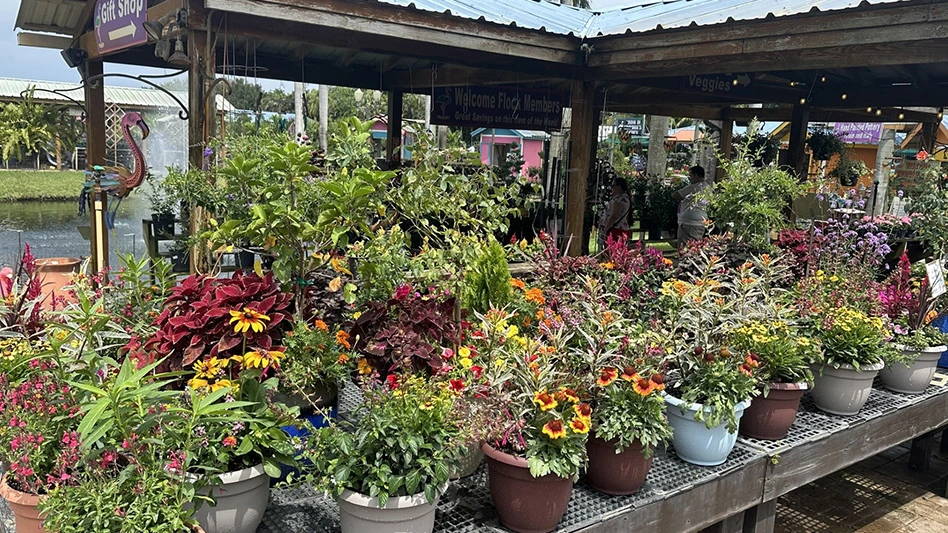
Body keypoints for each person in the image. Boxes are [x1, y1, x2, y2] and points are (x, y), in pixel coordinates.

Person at [673, 165, 709, 249]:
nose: (690, 179)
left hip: (689, 223)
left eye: (691, 176)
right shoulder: (708, 187)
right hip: (701, 222)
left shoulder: (694, 187)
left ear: (696, 175)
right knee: (695, 247)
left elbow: (675, 195)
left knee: (686, 248)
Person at [600, 178, 632, 243]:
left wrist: (606, 230)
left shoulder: (618, 200)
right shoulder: (626, 198)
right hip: (622, 229)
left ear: (619, 187)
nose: (611, 188)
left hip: (615, 231)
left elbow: (614, 215)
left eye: (613, 186)